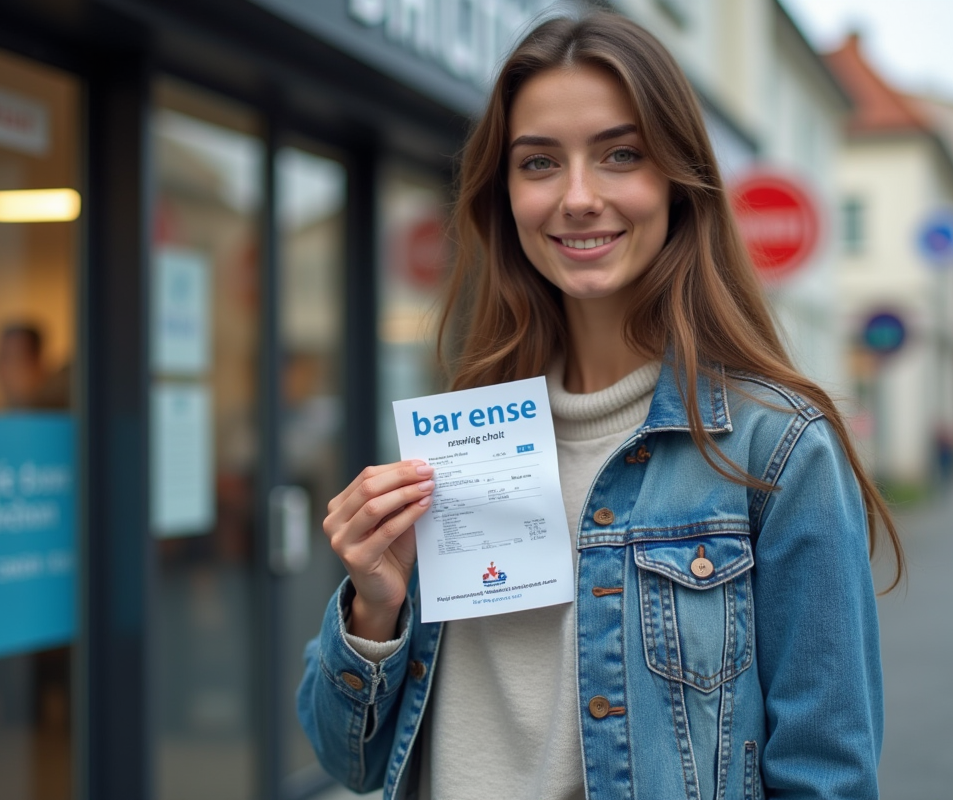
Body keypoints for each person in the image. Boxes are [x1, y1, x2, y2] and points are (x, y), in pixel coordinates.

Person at [298, 12, 904, 800]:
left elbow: (826, 779)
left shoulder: (776, 451)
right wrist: (373, 611)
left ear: (678, 182)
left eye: (620, 155)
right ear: (505, 193)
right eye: (540, 162)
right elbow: (347, 760)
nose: (578, 198)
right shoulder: (463, 439)